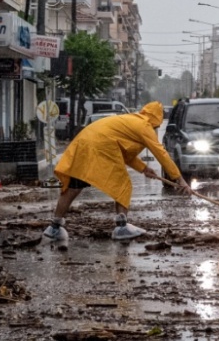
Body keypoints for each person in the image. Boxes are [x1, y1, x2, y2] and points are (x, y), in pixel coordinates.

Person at [47, 101, 190, 243]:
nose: (156, 129)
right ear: (156, 120)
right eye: (157, 126)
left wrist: (144, 168)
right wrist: (180, 180)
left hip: (85, 142)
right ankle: (121, 227)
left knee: (74, 187)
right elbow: (161, 154)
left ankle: (54, 227)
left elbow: (125, 153)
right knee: (122, 184)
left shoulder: (133, 121)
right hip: (99, 146)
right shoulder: (144, 126)